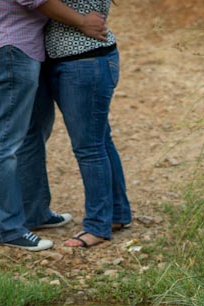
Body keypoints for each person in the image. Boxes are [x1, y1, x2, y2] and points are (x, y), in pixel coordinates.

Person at [0, 0, 108, 251]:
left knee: (32, 132)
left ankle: (34, 213)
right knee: (3, 140)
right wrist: (82, 21)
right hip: (9, 46)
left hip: (21, 47)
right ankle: (4, 229)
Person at [45, 0, 131, 249]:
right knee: (100, 140)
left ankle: (97, 226)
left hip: (85, 60)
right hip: (81, 59)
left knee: (89, 147)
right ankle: (116, 214)